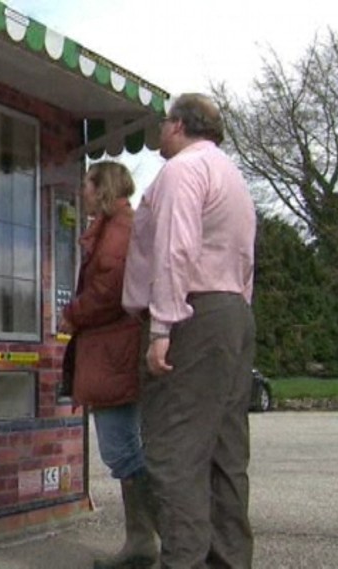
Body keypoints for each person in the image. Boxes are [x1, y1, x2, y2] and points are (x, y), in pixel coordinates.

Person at [122, 93, 257, 568]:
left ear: (178, 125)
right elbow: (245, 259)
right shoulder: (231, 176)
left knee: (174, 449)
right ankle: (229, 560)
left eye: (164, 123)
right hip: (233, 311)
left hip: (191, 313)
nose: (160, 132)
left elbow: (174, 250)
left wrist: (162, 326)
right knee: (225, 451)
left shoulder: (182, 171)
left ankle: (183, 560)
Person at [60, 161, 159, 569]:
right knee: (125, 449)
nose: (82, 191)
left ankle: (162, 541)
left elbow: (110, 289)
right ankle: (149, 542)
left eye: (87, 184)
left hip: (113, 352)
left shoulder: (118, 230)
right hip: (115, 350)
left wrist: (73, 313)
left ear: (102, 187)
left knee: (121, 450)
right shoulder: (114, 226)